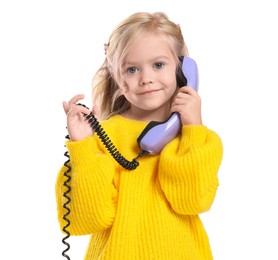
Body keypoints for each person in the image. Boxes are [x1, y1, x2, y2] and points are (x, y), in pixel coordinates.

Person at [55, 11, 223, 260]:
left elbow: (193, 201)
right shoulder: (101, 137)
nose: (146, 79)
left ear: (182, 68)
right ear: (115, 74)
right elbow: (86, 220)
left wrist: (192, 130)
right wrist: (83, 148)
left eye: (158, 65)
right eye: (132, 69)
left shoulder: (198, 139)